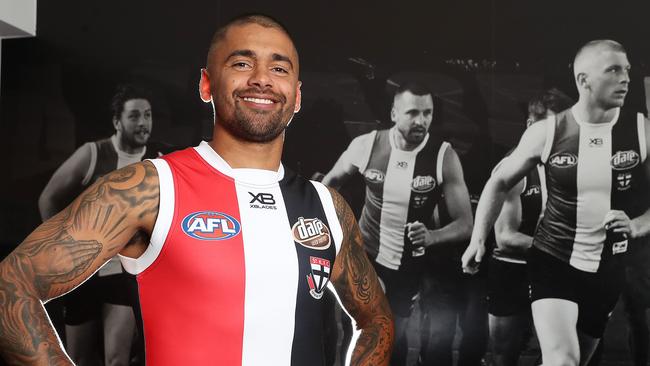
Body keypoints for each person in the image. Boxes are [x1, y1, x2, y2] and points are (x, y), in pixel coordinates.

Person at [0, 14, 393, 366]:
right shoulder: (148, 187)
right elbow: (12, 283)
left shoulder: (327, 206)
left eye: (279, 68)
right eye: (241, 63)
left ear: (297, 95)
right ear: (206, 84)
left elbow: (376, 318)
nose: (262, 78)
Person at [462, 39, 650, 366]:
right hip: (554, 261)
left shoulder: (641, 131)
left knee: (578, 360)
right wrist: (478, 239)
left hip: (607, 268)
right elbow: (499, 181)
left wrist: (637, 225)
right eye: (614, 70)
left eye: (628, 70)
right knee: (562, 360)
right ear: (583, 80)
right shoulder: (548, 132)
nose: (626, 78)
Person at [323, 82, 473, 365]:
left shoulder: (443, 156)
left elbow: (466, 223)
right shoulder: (367, 145)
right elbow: (329, 184)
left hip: (407, 264)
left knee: (395, 336)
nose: (421, 121)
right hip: (365, 255)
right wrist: (335, 230)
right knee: (362, 330)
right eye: (413, 113)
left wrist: (432, 236)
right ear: (394, 114)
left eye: (427, 113)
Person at [38, 83, 164, 366]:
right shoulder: (93, 153)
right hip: (84, 271)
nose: (143, 122)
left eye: (147, 114)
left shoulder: (158, 161)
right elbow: (48, 198)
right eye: (134, 116)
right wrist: (62, 248)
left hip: (123, 272)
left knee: (117, 359)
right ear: (117, 121)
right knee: (78, 359)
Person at [487, 89, 573, 366]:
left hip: (555, 268)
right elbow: (505, 237)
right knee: (505, 354)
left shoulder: (572, 162)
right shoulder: (512, 167)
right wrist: (563, 245)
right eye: (550, 128)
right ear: (530, 126)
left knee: (563, 353)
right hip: (514, 268)